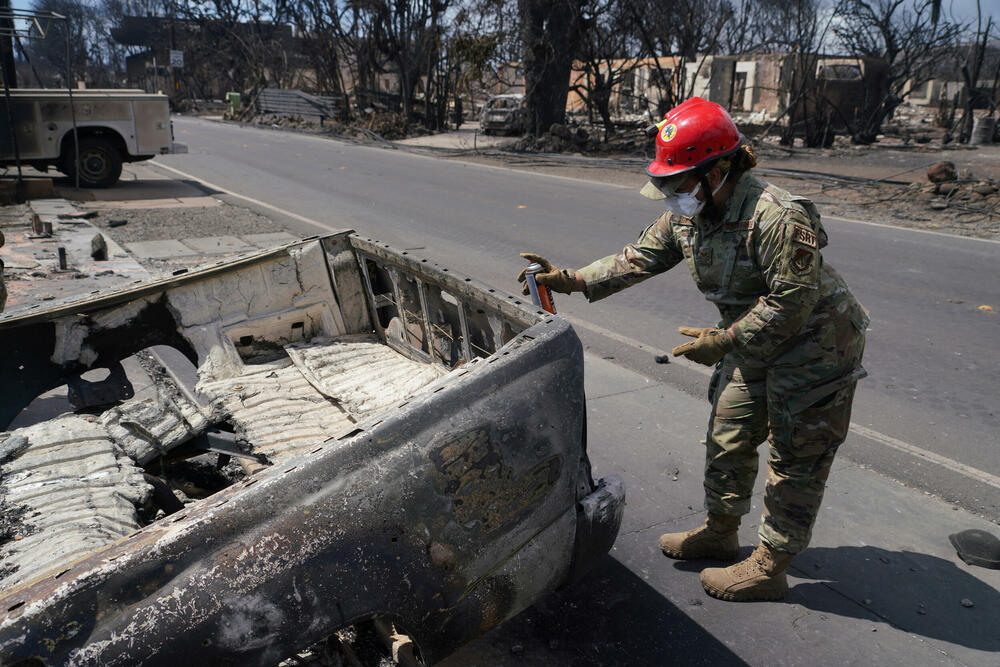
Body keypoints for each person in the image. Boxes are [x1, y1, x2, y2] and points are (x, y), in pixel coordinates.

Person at [516, 97, 868, 602]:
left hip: (817, 344)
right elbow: (638, 258)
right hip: (750, 339)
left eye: (677, 183)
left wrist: (724, 341)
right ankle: (722, 531)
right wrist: (569, 279)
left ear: (717, 172)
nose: (670, 194)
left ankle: (771, 564)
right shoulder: (691, 213)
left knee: (797, 455)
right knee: (729, 433)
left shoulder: (777, 216)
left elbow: (792, 303)